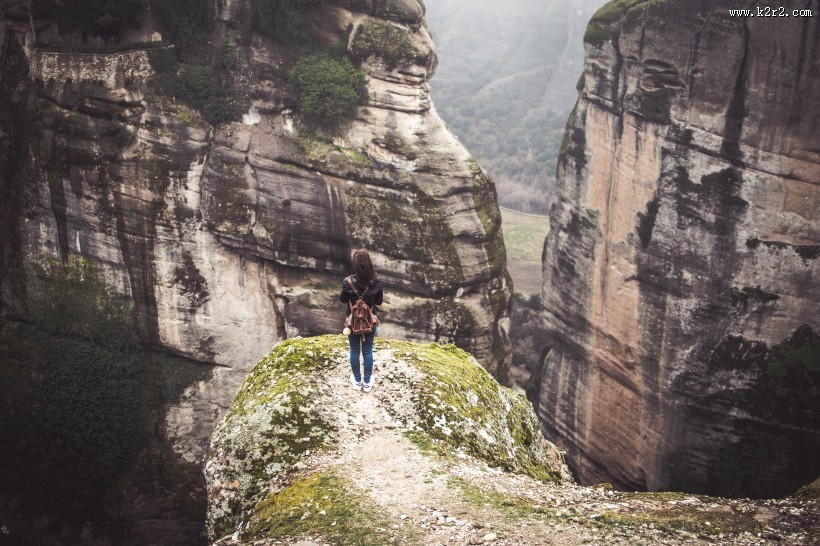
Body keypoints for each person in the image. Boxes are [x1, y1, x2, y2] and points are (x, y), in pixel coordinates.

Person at [340, 249, 383, 393]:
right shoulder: (376, 282)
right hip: (370, 321)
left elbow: (343, 299)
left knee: (354, 350)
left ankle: (357, 381)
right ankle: (368, 381)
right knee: (367, 351)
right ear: (369, 263)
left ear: (355, 264)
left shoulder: (347, 282)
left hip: (352, 323)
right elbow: (379, 302)